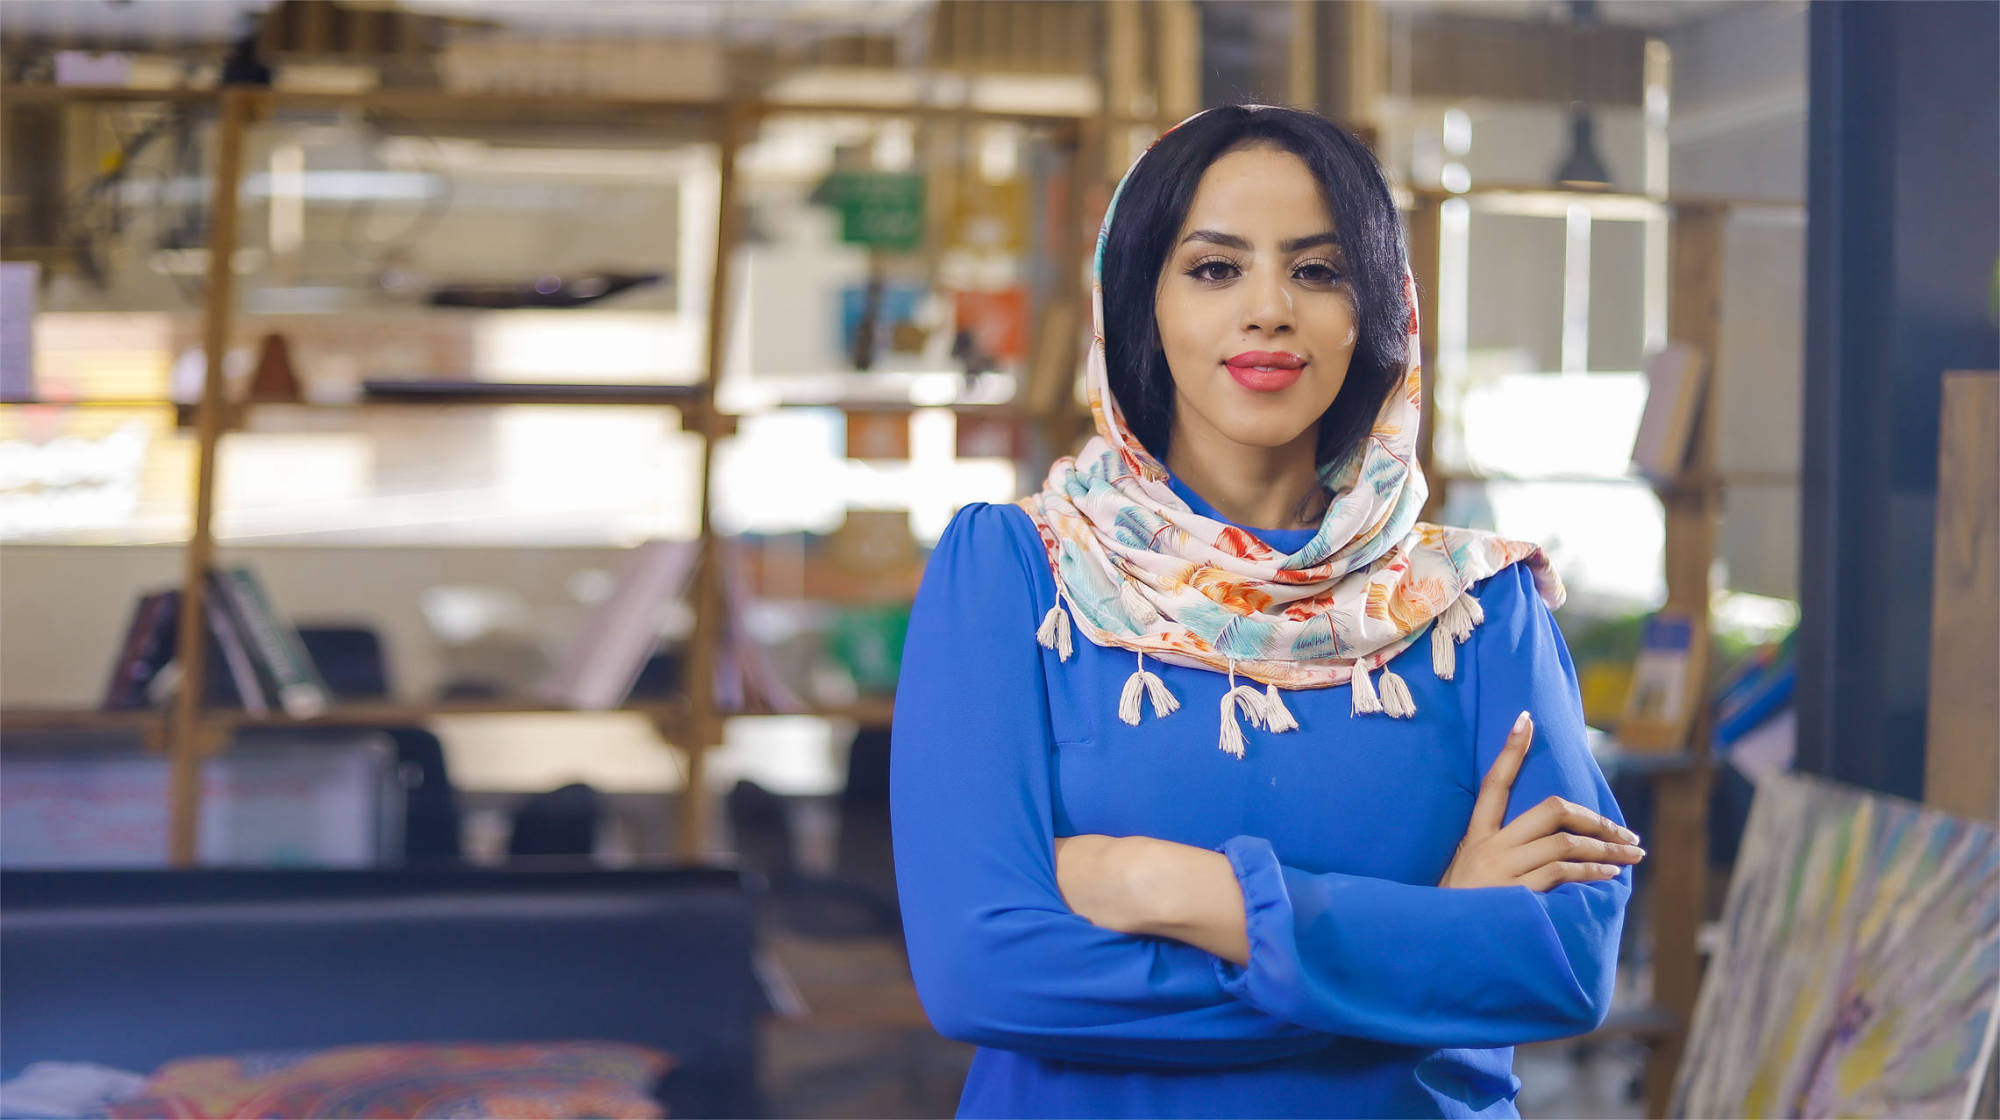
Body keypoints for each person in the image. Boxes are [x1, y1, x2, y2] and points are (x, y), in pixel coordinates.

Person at [890, 104, 1643, 1119]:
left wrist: (1178, 890)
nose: (1268, 310)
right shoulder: (1016, 572)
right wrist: (1427, 943)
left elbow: (1565, 963)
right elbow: (980, 972)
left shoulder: (1476, 602)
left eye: (1318, 270)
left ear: (1379, 308)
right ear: (1138, 300)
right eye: (1214, 268)